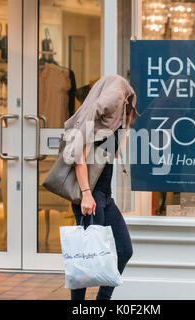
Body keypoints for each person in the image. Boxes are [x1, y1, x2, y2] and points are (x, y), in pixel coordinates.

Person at [64, 74, 138, 300]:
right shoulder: (91, 119)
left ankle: (101, 301)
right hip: (91, 194)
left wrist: (123, 124)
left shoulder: (111, 120)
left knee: (124, 250)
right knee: (86, 259)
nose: (124, 104)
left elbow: (113, 153)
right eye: (122, 100)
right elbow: (79, 158)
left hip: (105, 195)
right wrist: (86, 195)